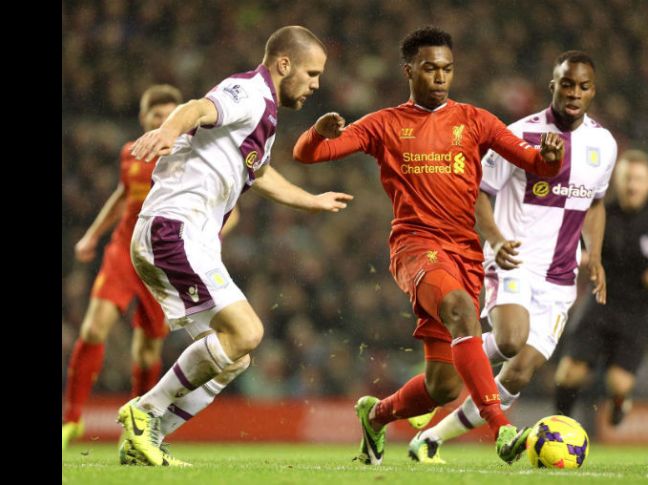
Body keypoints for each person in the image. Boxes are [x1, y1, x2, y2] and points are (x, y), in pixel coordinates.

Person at [293, 26, 564, 465]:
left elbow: (535, 164)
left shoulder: (475, 120)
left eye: (447, 69)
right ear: (409, 71)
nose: (440, 77)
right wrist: (317, 133)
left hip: (464, 253)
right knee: (460, 308)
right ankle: (501, 428)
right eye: (430, 68)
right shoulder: (384, 124)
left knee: (443, 386)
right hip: (416, 247)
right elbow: (308, 155)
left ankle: (375, 416)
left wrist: (551, 159)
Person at [117, 25, 353, 467]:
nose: (317, 84)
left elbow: (259, 174)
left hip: (190, 235)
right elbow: (196, 108)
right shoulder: (248, 92)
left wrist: (312, 201)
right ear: (284, 64)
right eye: (312, 73)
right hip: (174, 227)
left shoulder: (266, 114)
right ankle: (144, 410)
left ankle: (149, 438)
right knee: (247, 333)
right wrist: (168, 130)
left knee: (235, 357)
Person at [408, 51, 618, 463]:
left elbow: (595, 204)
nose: (574, 93)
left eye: (583, 86)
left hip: (560, 277)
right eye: (567, 84)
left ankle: (431, 438)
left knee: (519, 373)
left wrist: (594, 254)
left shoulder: (604, 144)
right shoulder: (519, 135)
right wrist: (496, 239)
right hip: (513, 259)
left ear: (593, 91)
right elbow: (479, 194)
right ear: (553, 85)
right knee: (508, 340)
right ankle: (438, 377)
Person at [62, 85, 185, 450]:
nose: (162, 121)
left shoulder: (188, 156)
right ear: (143, 118)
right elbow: (122, 195)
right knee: (93, 327)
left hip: (161, 262)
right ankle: (71, 419)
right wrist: (91, 235)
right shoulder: (130, 152)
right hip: (123, 252)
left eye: (169, 115)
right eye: (156, 115)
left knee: (146, 352)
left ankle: (137, 424)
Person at [553, 149, 648, 426]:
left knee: (619, 383)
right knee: (569, 373)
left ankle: (621, 401)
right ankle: (559, 425)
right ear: (616, 182)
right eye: (627, 179)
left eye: (638, 179)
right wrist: (584, 258)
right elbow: (578, 248)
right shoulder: (602, 214)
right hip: (600, 301)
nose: (632, 185)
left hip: (638, 310)